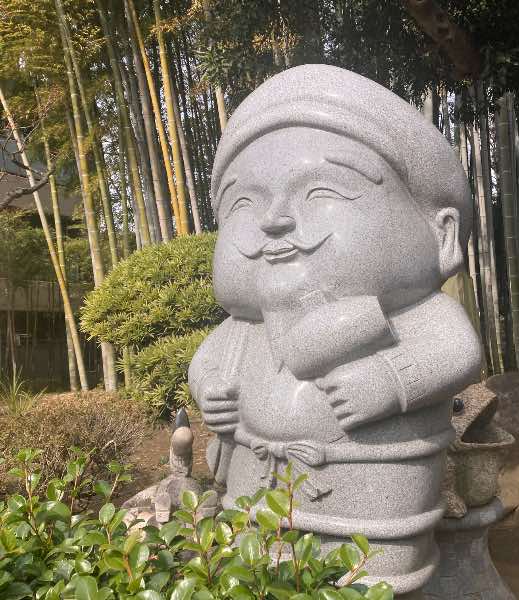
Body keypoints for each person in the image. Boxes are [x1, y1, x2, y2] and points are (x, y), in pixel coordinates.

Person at [189, 64, 481, 597]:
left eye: (321, 190)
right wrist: (210, 390)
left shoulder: (418, 312)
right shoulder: (242, 327)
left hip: (376, 506)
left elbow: (456, 350)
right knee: (257, 575)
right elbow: (207, 363)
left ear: (442, 235)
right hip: (257, 491)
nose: (274, 220)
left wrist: (389, 380)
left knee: (370, 583)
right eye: (243, 203)